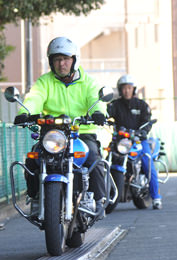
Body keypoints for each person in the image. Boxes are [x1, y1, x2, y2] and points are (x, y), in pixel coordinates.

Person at [15, 36, 108, 219]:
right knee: (34, 158)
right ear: (51, 62)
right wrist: (24, 112)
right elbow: (34, 98)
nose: (61, 63)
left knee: (93, 158)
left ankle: (99, 201)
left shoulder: (88, 82)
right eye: (57, 59)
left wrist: (98, 112)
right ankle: (35, 199)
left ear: (74, 59)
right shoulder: (45, 82)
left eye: (65, 59)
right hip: (52, 134)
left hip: (81, 133)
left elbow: (95, 99)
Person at [107, 74, 162, 209]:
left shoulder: (141, 105)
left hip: (138, 140)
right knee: (104, 160)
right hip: (121, 141)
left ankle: (156, 198)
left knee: (148, 164)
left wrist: (144, 131)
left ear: (134, 89)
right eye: (124, 88)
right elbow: (106, 114)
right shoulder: (114, 105)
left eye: (129, 88)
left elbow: (147, 121)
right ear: (120, 90)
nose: (127, 90)